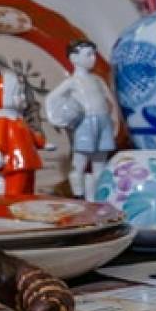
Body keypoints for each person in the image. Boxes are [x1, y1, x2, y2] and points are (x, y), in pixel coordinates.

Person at [45, 39, 120, 201]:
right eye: (88, 54)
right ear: (74, 58)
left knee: (100, 162)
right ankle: (79, 195)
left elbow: (111, 101)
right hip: (85, 124)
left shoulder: (98, 80)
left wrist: (115, 121)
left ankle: (98, 197)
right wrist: (60, 117)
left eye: (94, 54)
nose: (93, 58)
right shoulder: (72, 82)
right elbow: (51, 98)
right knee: (79, 162)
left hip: (103, 122)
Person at [0, 70, 47, 196]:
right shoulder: (3, 118)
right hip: (14, 163)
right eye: (18, 94)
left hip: (27, 161)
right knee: (16, 190)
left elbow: (29, 135)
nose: (23, 98)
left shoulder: (19, 119)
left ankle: (26, 204)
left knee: (28, 189)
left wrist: (41, 142)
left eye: (22, 93)